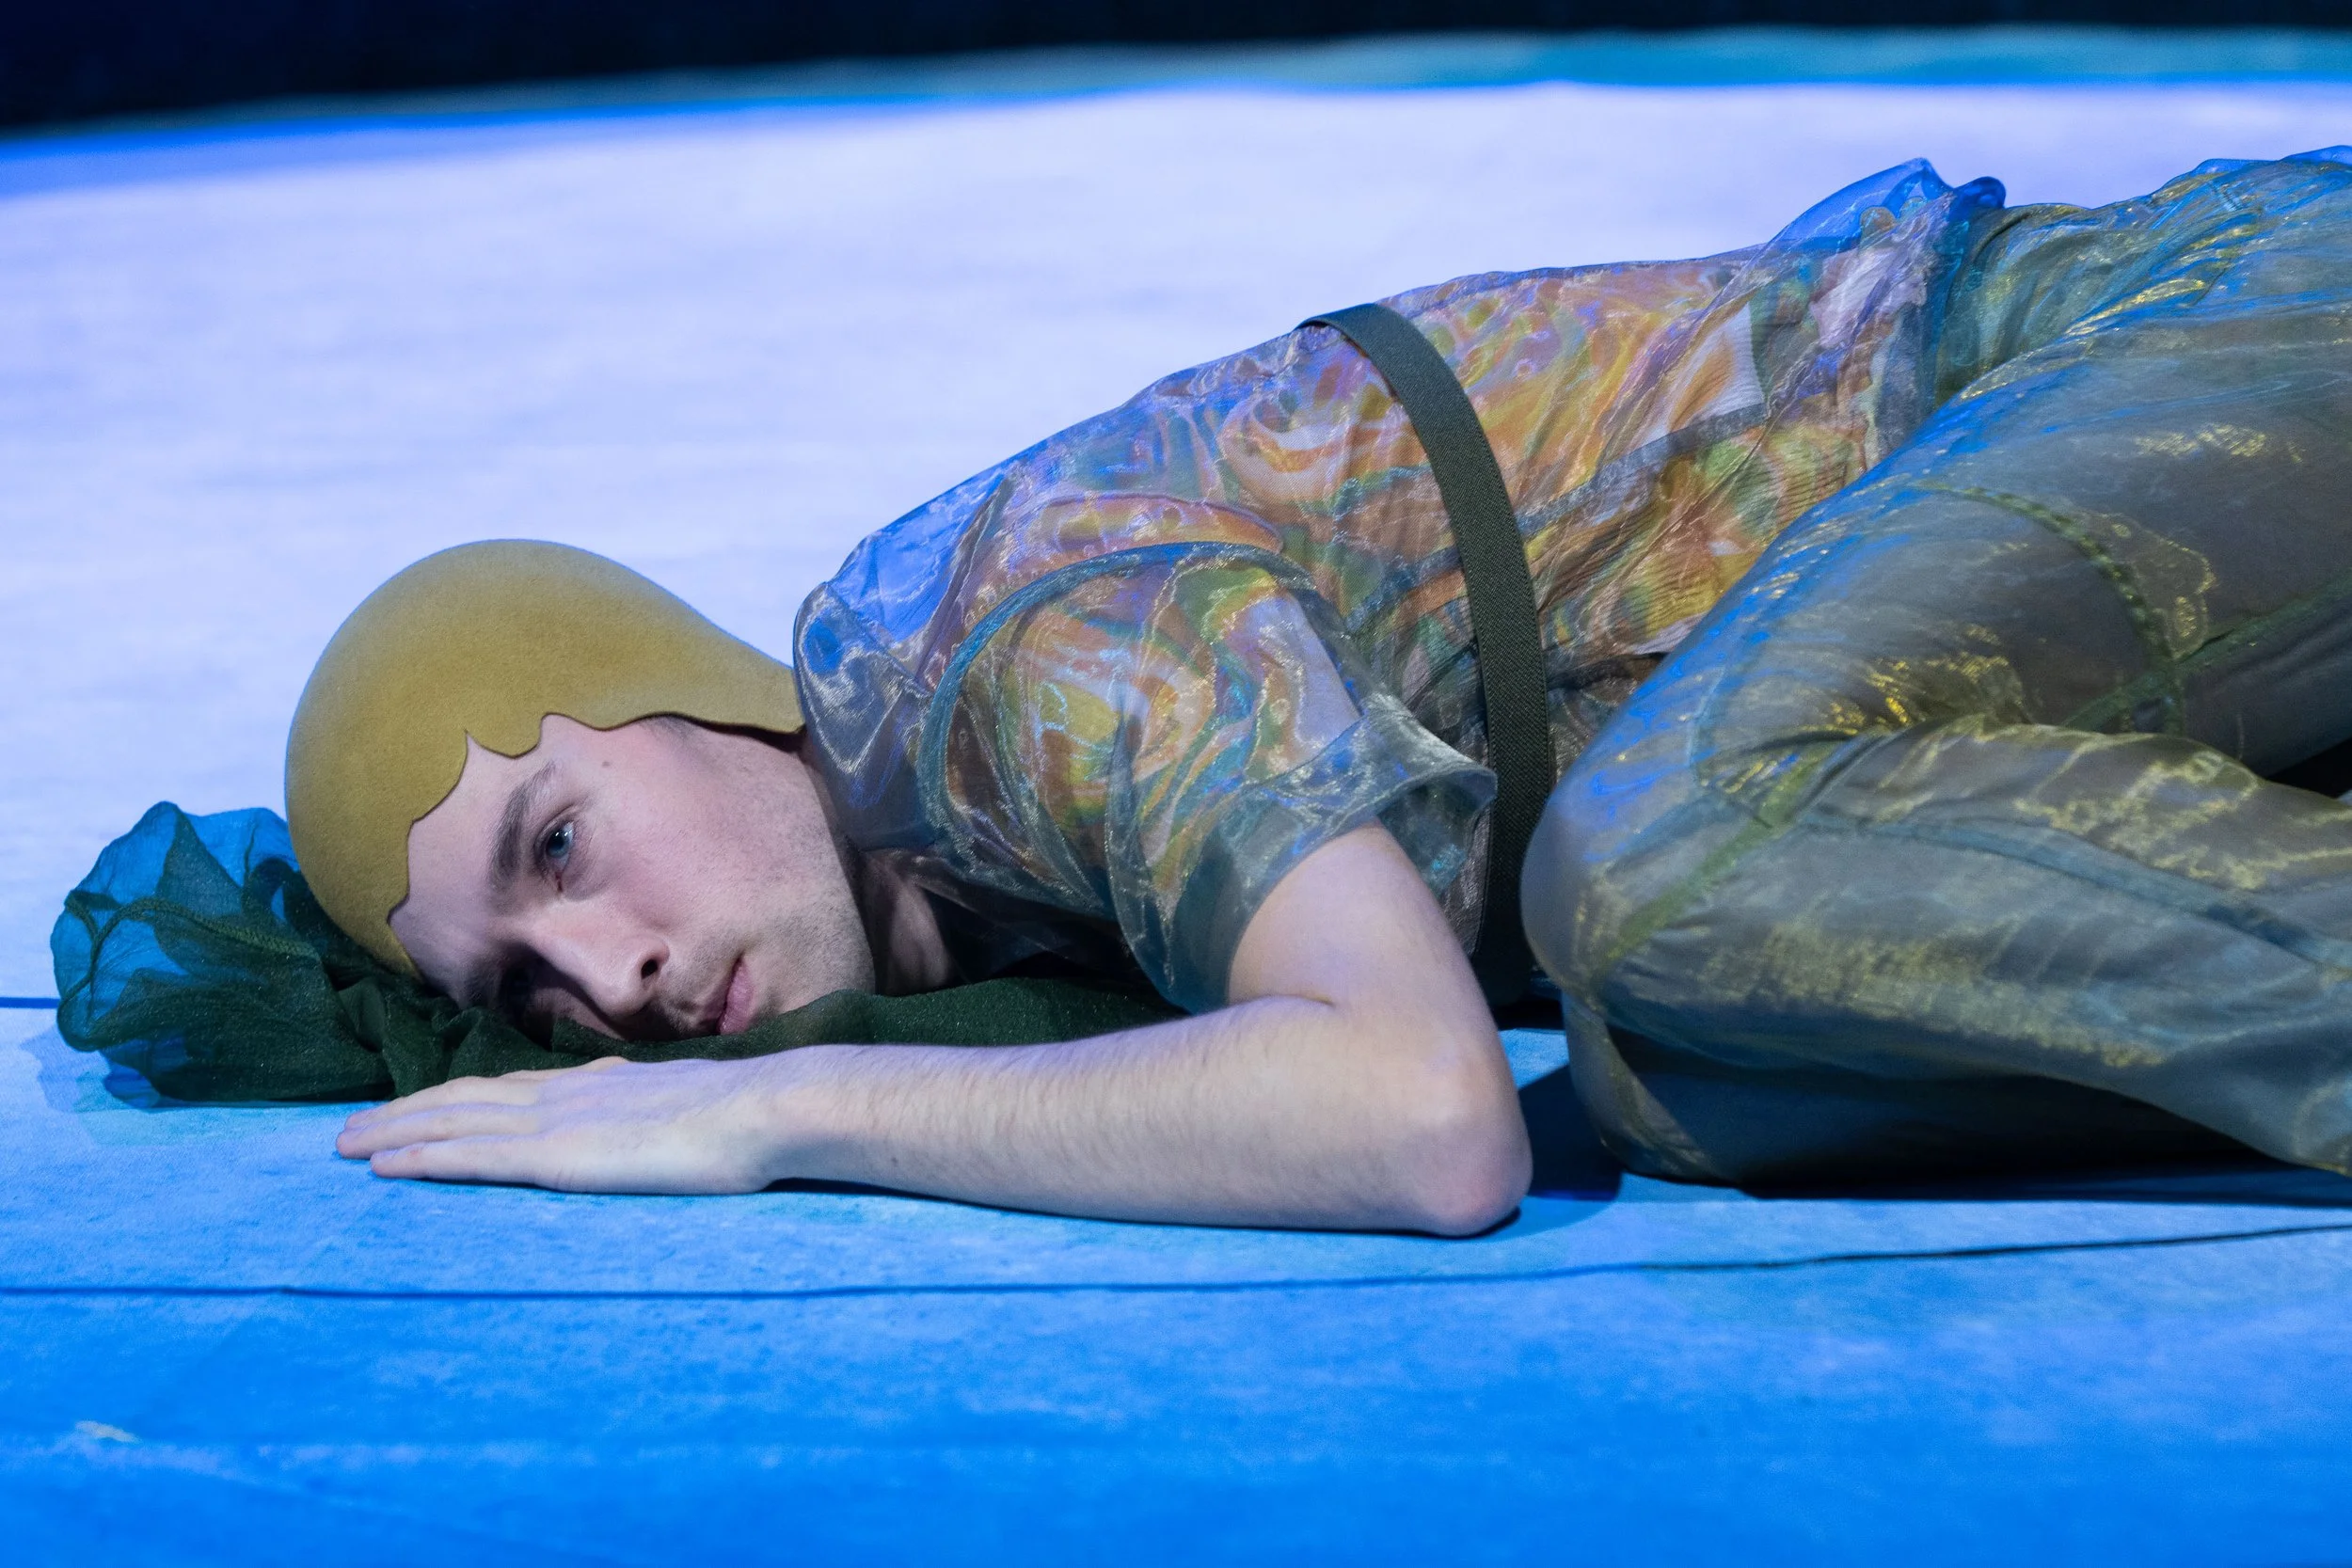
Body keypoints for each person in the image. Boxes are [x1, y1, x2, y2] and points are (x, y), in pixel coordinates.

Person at [309, 150, 2352, 1228]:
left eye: (558, 842)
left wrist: (792, 1111)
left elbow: (1414, 1116)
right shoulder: (951, 856)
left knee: (1642, 881)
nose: (615, 977)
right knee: (1671, 1060)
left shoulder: (1023, 654)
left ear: (689, 691)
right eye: (526, 983)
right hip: (2175, 543)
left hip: (2225, 332)